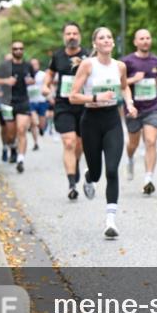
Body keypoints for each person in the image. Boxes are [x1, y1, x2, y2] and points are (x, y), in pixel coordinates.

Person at [68, 27, 137, 239]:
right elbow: (73, 96)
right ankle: (89, 178)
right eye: (101, 38)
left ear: (113, 43)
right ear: (95, 44)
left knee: (112, 170)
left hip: (112, 121)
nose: (106, 40)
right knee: (97, 173)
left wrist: (129, 103)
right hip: (90, 121)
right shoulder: (88, 65)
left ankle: (110, 221)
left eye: (109, 37)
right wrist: (96, 98)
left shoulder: (121, 66)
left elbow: (124, 87)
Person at [44, 22, 89, 200]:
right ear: (64, 36)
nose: (72, 36)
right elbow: (50, 73)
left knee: (80, 144)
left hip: (84, 106)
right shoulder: (58, 56)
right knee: (69, 143)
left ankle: (76, 162)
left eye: (75, 33)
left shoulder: (88, 56)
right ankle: (72, 184)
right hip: (64, 105)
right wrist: (46, 86)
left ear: (80, 36)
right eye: (68, 33)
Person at [122, 28, 157, 195]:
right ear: (135, 42)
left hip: (153, 107)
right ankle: (130, 158)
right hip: (133, 108)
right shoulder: (127, 61)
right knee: (133, 142)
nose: (145, 41)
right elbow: (120, 82)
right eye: (141, 38)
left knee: (151, 141)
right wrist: (134, 79)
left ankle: (149, 178)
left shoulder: (156, 60)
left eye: (148, 38)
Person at [0, 41, 33, 172]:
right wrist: (6, 81)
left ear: (23, 50)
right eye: (15, 48)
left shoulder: (28, 65)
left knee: (21, 129)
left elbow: (33, 78)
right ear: (11, 50)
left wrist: (30, 81)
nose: (18, 51)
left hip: (23, 101)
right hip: (7, 102)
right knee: (10, 134)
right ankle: (12, 147)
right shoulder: (5, 66)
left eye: (20, 48)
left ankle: (20, 160)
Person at [27, 57, 48, 150]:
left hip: (42, 100)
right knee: (33, 122)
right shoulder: (26, 75)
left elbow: (48, 85)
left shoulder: (43, 75)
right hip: (30, 101)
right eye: (32, 64)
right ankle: (35, 143)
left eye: (35, 64)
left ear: (38, 65)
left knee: (41, 123)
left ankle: (42, 129)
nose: (34, 66)